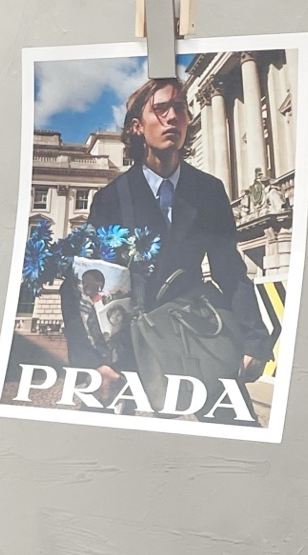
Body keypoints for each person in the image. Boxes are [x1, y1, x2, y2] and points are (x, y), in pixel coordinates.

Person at [60, 76, 273, 391]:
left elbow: (230, 271)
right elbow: (81, 283)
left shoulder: (209, 191)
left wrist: (254, 340)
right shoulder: (111, 198)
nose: (172, 117)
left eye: (179, 108)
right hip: (130, 351)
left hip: (196, 335)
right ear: (137, 126)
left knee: (230, 421)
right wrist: (92, 363)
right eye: (160, 109)